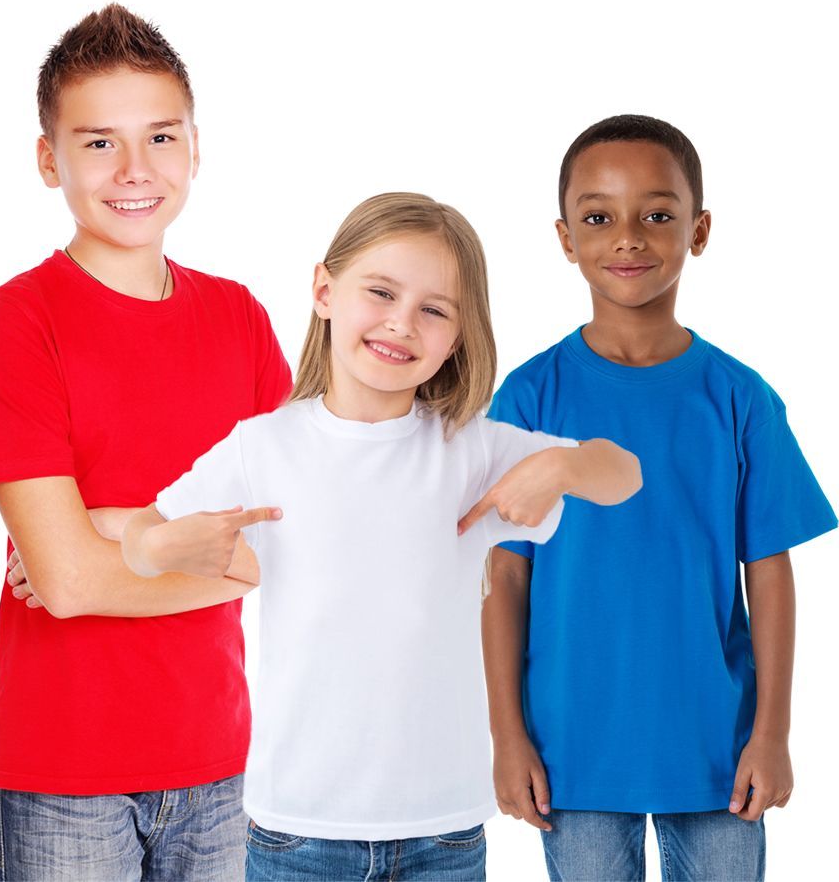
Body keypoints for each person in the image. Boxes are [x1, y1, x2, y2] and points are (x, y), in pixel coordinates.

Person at [119, 193, 644, 881]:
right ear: (324, 290)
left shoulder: (473, 451)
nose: (402, 323)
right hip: (297, 831)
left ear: (457, 337)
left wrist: (564, 463)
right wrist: (159, 550)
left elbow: (625, 473)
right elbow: (139, 534)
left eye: (434, 309)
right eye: (381, 292)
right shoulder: (262, 447)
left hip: (444, 835)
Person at [0, 4, 291, 881]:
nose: (135, 170)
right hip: (65, 776)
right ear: (49, 158)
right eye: (100, 142)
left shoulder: (239, 320)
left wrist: (111, 529)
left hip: (222, 766)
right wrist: (202, 550)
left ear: (195, 147)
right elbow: (64, 588)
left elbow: (293, 550)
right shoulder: (17, 323)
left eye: (161, 137)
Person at [482, 115, 838, 881]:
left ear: (699, 229)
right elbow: (502, 574)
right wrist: (507, 736)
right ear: (565, 236)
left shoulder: (740, 399)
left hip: (715, 748)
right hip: (573, 747)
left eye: (658, 215)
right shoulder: (530, 395)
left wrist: (771, 732)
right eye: (599, 217)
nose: (628, 237)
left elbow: (769, 571)